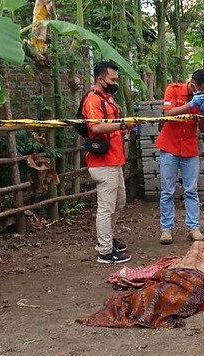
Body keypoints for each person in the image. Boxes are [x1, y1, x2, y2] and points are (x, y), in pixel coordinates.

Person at [83, 61, 137, 264]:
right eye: (112, 79)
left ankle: (106, 239)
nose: (115, 82)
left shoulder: (107, 99)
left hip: (114, 160)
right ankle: (105, 250)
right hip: (102, 162)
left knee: (119, 202)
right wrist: (122, 124)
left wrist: (124, 128)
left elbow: (111, 127)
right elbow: (96, 127)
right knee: (106, 207)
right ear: (100, 79)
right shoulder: (92, 100)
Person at [155, 69, 204, 245]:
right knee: (167, 190)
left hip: (189, 148)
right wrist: (190, 105)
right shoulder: (173, 89)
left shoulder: (203, 99)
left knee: (191, 190)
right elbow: (168, 113)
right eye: (201, 89)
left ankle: (193, 228)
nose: (203, 93)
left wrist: (202, 112)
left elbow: (203, 128)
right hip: (169, 147)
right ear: (193, 85)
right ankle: (166, 230)